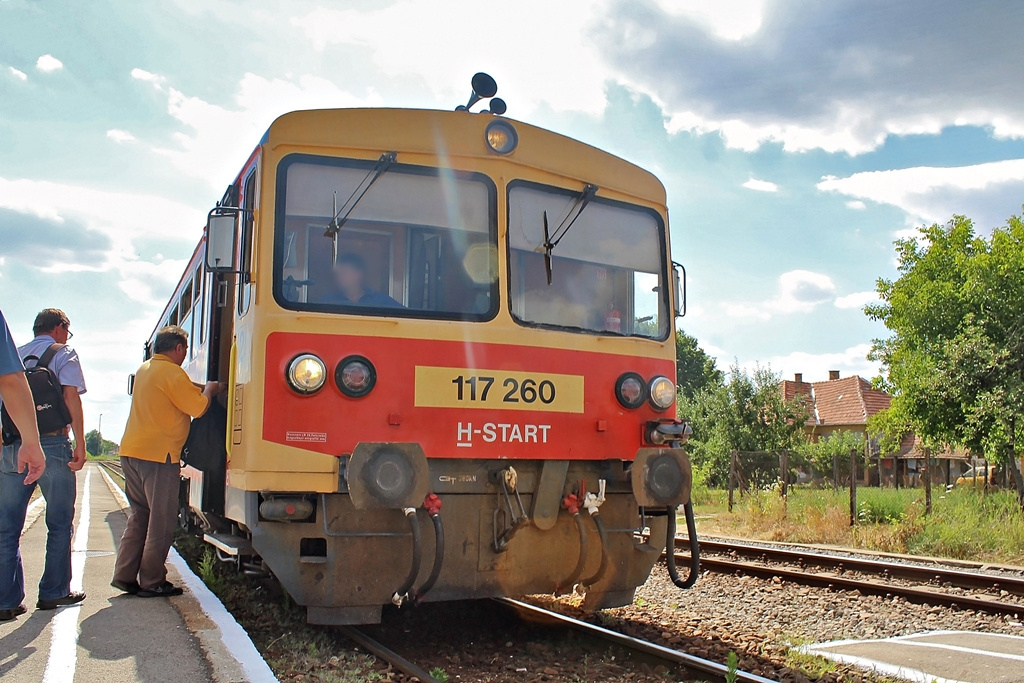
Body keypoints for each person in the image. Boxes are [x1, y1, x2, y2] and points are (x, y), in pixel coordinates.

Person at [112, 326, 219, 598]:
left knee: (140, 515)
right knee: (161, 520)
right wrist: (210, 390)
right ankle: (152, 581)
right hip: (158, 457)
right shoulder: (172, 372)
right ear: (179, 349)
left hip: (131, 452)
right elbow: (198, 407)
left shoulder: (146, 369)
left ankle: (124, 575)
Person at [0, 308, 87, 621]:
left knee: (6, 527)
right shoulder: (64, 353)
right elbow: (70, 397)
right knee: (60, 522)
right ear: (60, 328)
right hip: (51, 445)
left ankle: (6, 601)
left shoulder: (17, 352)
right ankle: (53, 592)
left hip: (13, 445)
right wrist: (81, 442)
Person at [321, 252, 403, 307]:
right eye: (338, 273)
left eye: (344, 272)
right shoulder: (328, 300)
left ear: (358, 274)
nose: (339, 277)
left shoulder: (381, 301)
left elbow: (406, 318)